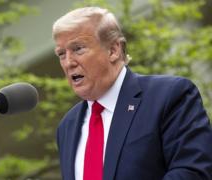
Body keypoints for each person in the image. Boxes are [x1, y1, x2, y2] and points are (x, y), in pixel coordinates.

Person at [52, 6, 212, 180]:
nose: (68, 63)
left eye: (78, 49)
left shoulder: (168, 96)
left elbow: (192, 172)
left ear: (113, 50)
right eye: (61, 54)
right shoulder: (67, 126)